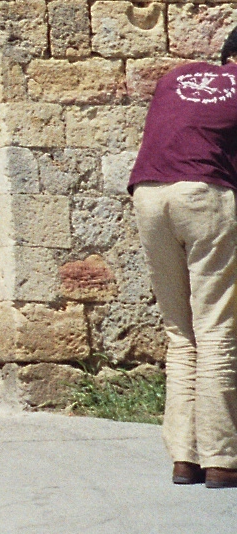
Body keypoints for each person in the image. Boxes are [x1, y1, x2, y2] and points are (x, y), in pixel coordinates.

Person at [131, 28, 237, 488]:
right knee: (216, 328)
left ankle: (183, 457)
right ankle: (222, 459)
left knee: (181, 333)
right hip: (204, 196)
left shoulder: (176, 77)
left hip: (149, 195)